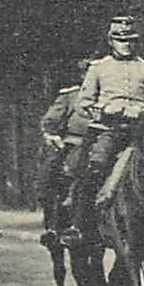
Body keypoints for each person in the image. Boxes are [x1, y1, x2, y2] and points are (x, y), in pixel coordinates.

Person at [58, 15, 144, 248]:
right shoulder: (98, 68)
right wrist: (106, 109)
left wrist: (140, 109)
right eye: (120, 39)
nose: (126, 44)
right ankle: (80, 226)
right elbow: (83, 102)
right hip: (107, 130)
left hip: (139, 131)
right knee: (93, 169)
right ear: (111, 41)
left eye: (131, 39)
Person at [38, 58, 94, 248]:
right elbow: (49, 122)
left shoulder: (109, 97)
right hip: (74, 144)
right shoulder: (71, 97)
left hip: (107, 144)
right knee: (50, 174)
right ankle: (52, 225)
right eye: (87, 75)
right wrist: (53, 137)